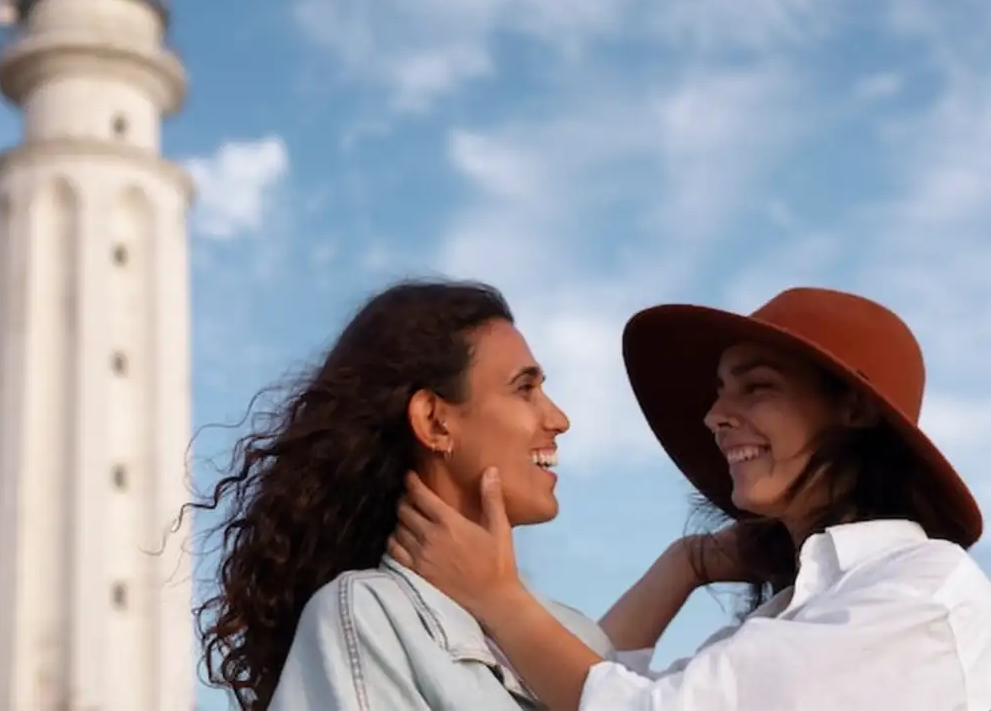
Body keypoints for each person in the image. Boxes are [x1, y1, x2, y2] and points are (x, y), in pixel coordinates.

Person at [389, 286, 991, 710]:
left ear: (853, 408)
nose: (714, 416)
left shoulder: (918, 593)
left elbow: (636, 707)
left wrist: (496, 597)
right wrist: (687, 564)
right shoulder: (792, 616)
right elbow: (598, 679)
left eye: (757, 387)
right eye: (721, 392)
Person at [191, 280, 614, 710]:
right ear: (434, 421)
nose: (559, 419)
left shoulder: (581, 639)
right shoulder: (370, 616)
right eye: (525, 388)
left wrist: (683, 563)